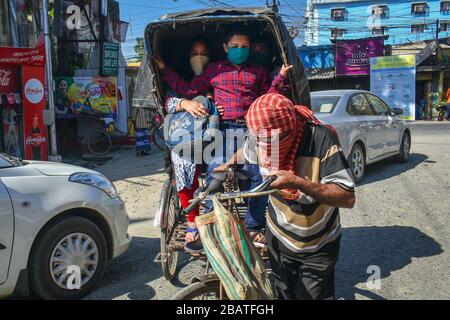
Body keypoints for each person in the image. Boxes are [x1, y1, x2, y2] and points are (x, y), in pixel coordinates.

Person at [154, 28, 293, 239]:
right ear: (226, 48)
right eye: (235, 47)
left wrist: (281, 76)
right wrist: (164, 70)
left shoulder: (258, 71)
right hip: (222, 130)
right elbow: (188, 90)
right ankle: (211, 225)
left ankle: (254, 226)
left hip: (251, 130)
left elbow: (268, 99)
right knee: (215, 174)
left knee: (259, 176)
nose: (240, 50)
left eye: (244, 47)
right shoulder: (214, 70)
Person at [243, 93, 356, 300]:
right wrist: (226, 166)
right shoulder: (259, 138)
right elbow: (248, 153)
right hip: (278, 237)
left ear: (291, 130)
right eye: (260, 140)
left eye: (272, 141)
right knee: (283, 294)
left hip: (318, 244)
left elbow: (347, 197)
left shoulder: (321, 138)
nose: (266, 148)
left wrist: (297, 182)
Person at [164, 40, 212, 253]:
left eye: (203, 53)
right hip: (187, 139)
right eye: (194, 53)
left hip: (216, 135)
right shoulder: (179, 79)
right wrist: (185, 103)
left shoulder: (216, 74)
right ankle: (192, 220)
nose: (199, 57)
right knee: (181, 161)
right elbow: (168, 102)